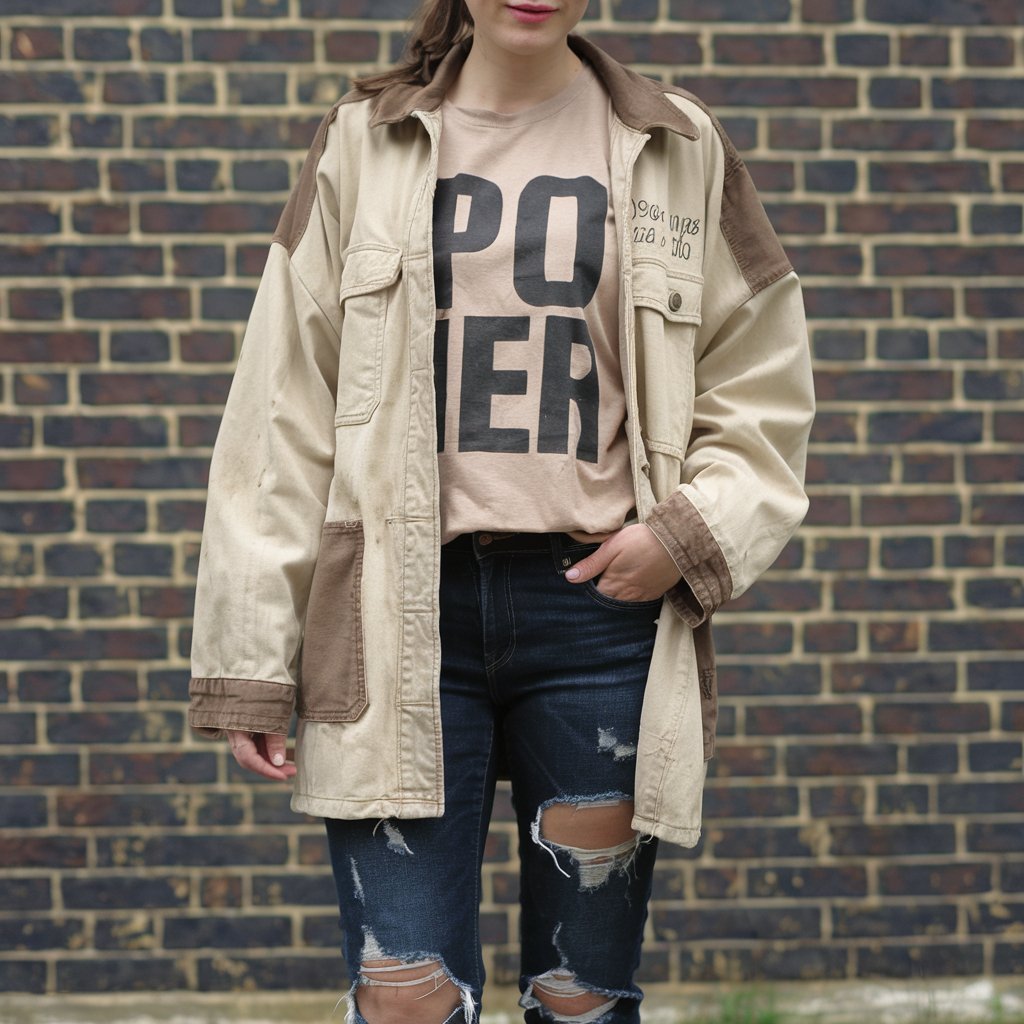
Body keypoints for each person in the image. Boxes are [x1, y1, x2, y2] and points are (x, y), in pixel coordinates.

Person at [187, 1, 815, 1021]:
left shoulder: (678, 147)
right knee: (403, 1000)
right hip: (395, 623)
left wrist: (684, 534)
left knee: (583, 1000)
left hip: (598, 627)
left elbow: (762, 383)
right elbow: (281, 407)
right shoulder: (365, 143)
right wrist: (252, 658)